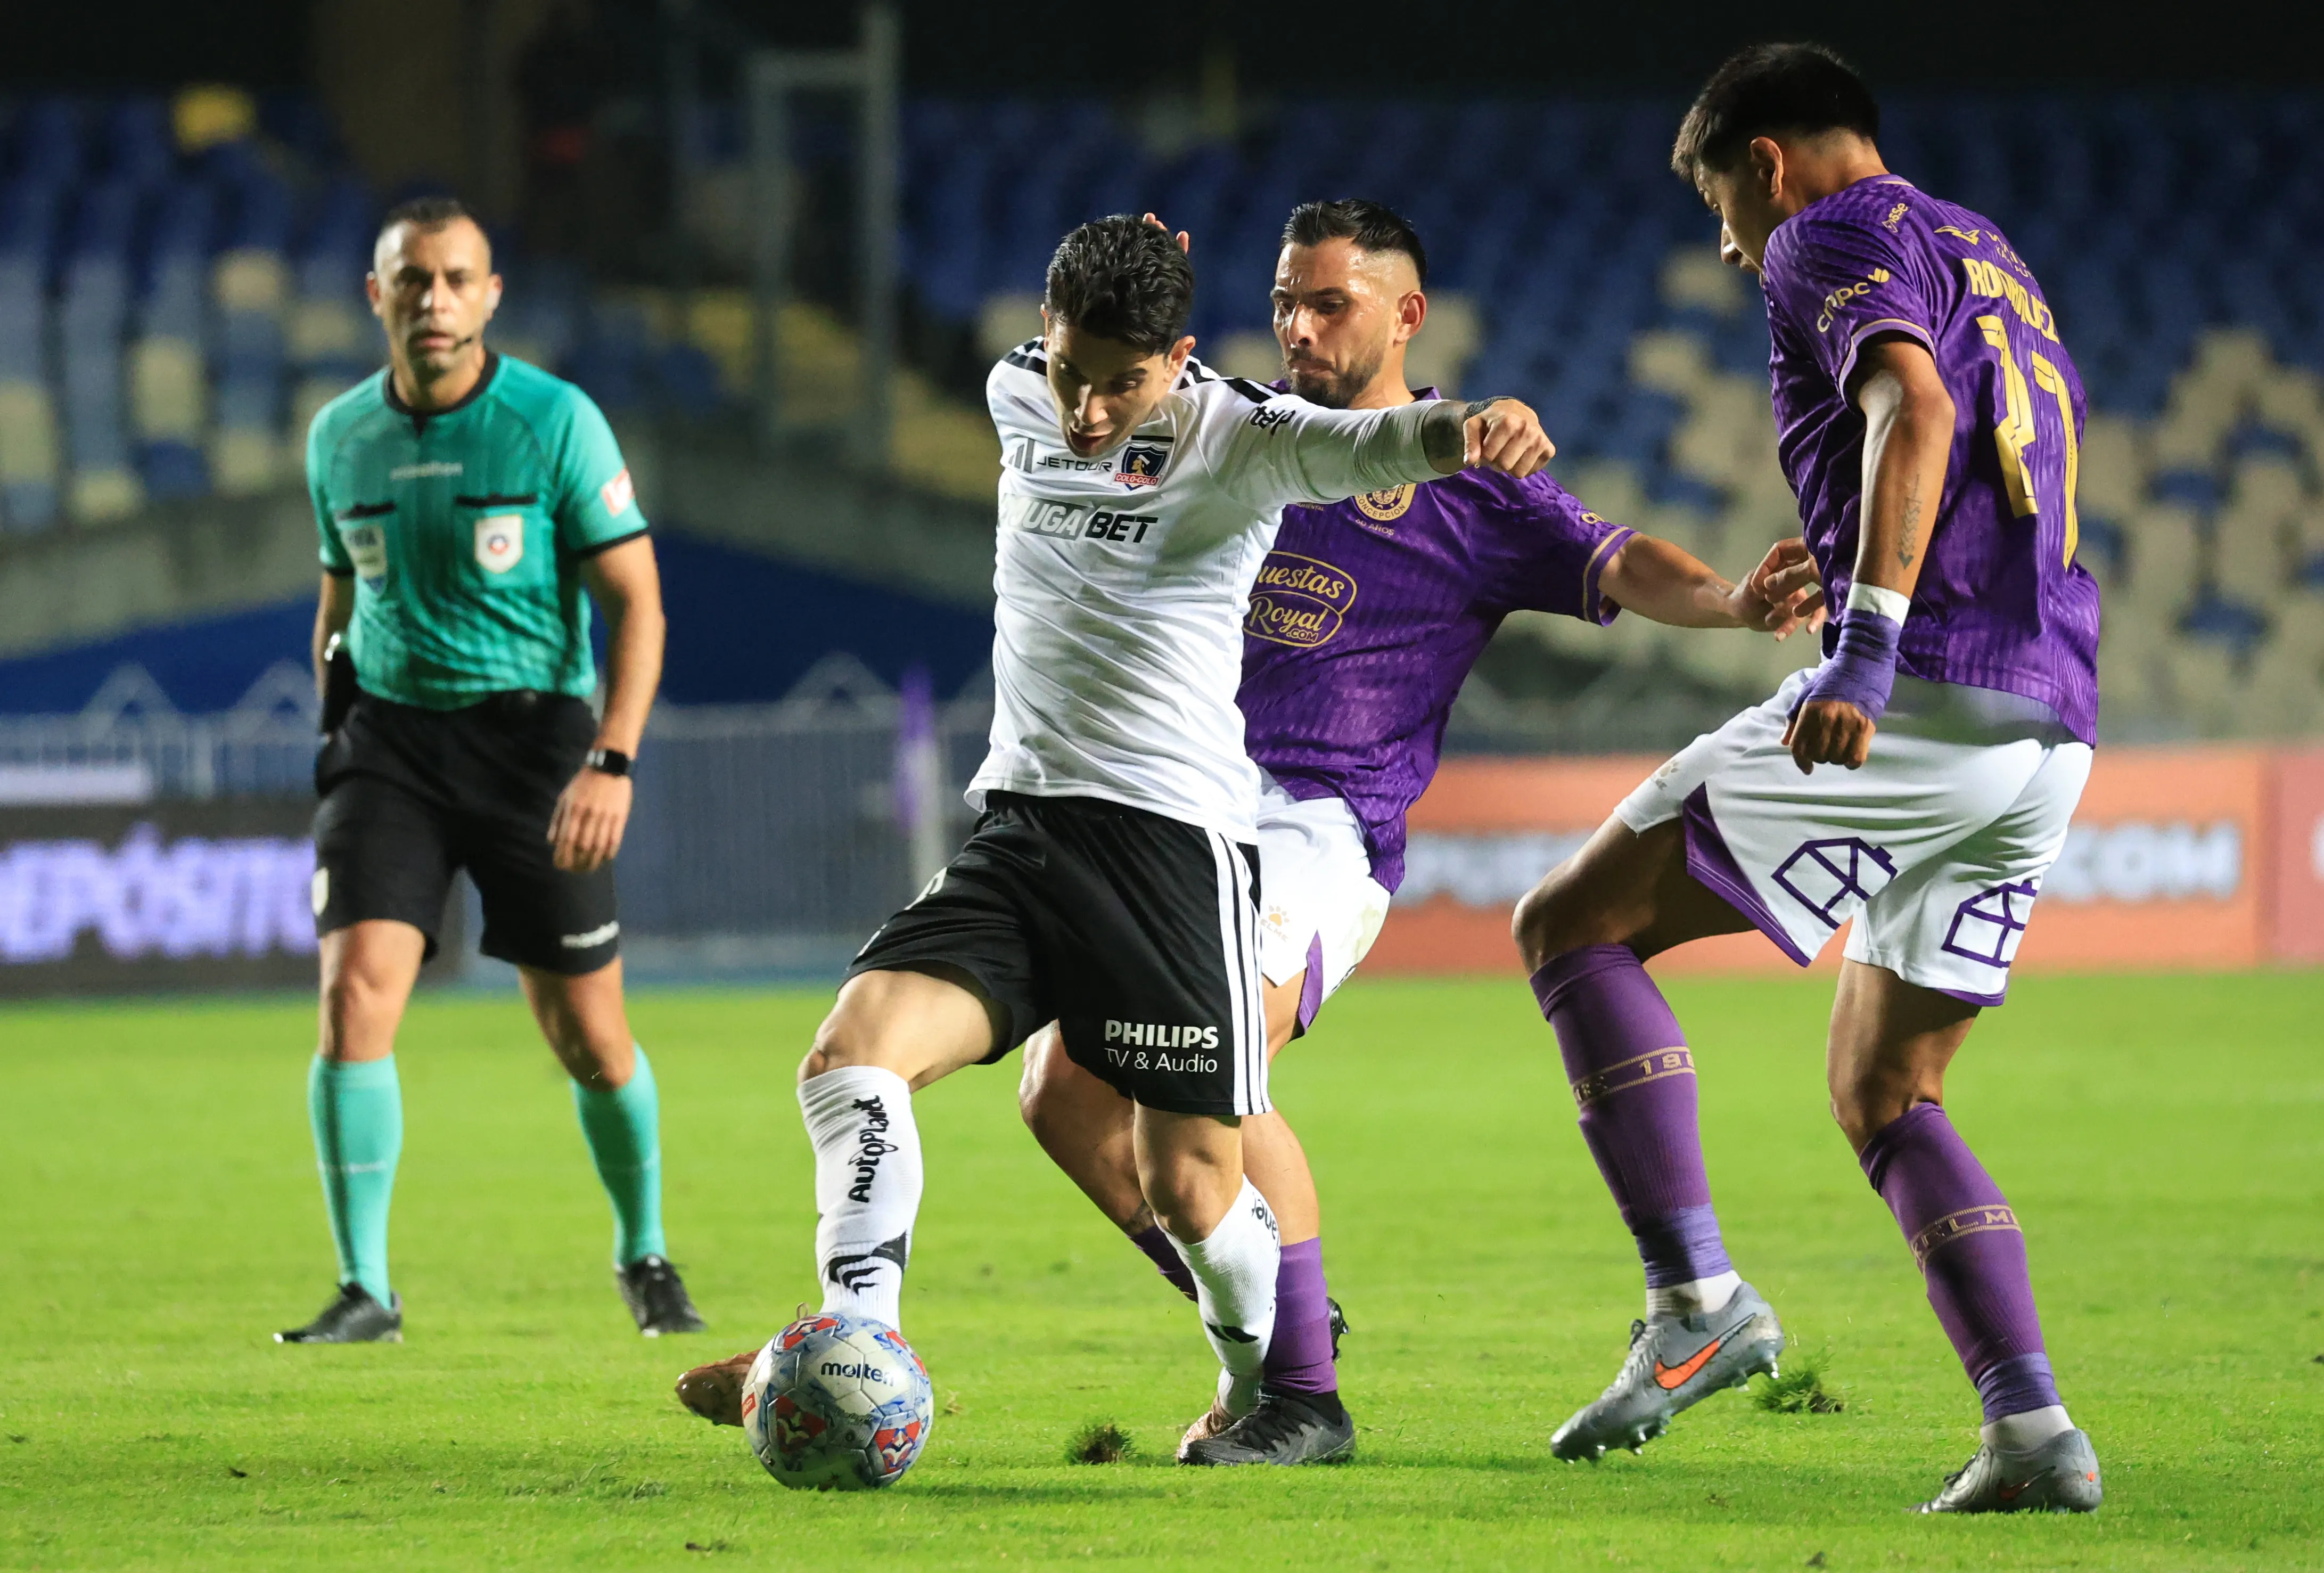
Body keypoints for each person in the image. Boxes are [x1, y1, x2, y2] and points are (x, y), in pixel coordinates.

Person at [674, 214, 1555, 1464]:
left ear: (1180, 358)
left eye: (1121, 384)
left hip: (1169, 856)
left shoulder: (1243, 440)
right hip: (1022, 831)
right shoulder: (1010, 396)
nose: (1087, 412)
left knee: (1193, 1183)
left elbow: (1379, 440)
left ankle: (1288, 1386)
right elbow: (1064, 364)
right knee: (850, 1063)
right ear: (1039, 341)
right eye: (1068, 373)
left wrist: (1471, 427)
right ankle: (859, 1335)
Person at [1013, 199, 1824, 1463]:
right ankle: (1285, 1325)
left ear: (1404, 315)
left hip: (1318, 828)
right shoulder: (1226, 430)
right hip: (1179, 809)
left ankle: (1303, 1397)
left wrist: (1729, 600)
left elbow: (1614, 561)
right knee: (1059, 1087)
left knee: (1209, 1064)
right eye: (1284, 298)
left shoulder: (1466, 486)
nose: (1296, 325)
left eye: (1327, 302)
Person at [1510, 45, 2104, 1513]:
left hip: (1931, 684)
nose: (1725, 243)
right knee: (1887, 1086)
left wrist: (1867, 644)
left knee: (1569, 926)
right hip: (2050, 723)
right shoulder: (1990, 251)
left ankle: (1694, 1298)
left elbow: (1915, 405)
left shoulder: (1830, 233)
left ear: (1767, 164)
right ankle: (2032, 1431)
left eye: (1722, 202)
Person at [282, 196, 702, 1344]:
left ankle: (645, 1253)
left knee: (590, 1038)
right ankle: (365, 1286)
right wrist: (332, 722)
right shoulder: (339, 437)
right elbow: (338, 594)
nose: (434, 300)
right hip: (390, 746)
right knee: (353, 997)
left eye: (456, 278)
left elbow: (638, 605)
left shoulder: (555, 422)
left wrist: (610, 758)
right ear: (378, 296)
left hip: (535, 749)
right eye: (411, 280)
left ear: (490, 295)